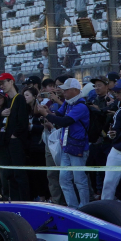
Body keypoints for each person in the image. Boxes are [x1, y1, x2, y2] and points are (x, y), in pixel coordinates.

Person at [41, 78, 91, 208]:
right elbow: (57, 114)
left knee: (79, 180)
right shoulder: (68, 103)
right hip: (66, 146)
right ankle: (72, 206)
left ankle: (85, 207)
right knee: (64, 179)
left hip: (78, 147)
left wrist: (46, 115)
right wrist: (48, 111)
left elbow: (64, 121)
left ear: (75, 90)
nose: (64, 92)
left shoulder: (81, 106)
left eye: (66, 90)